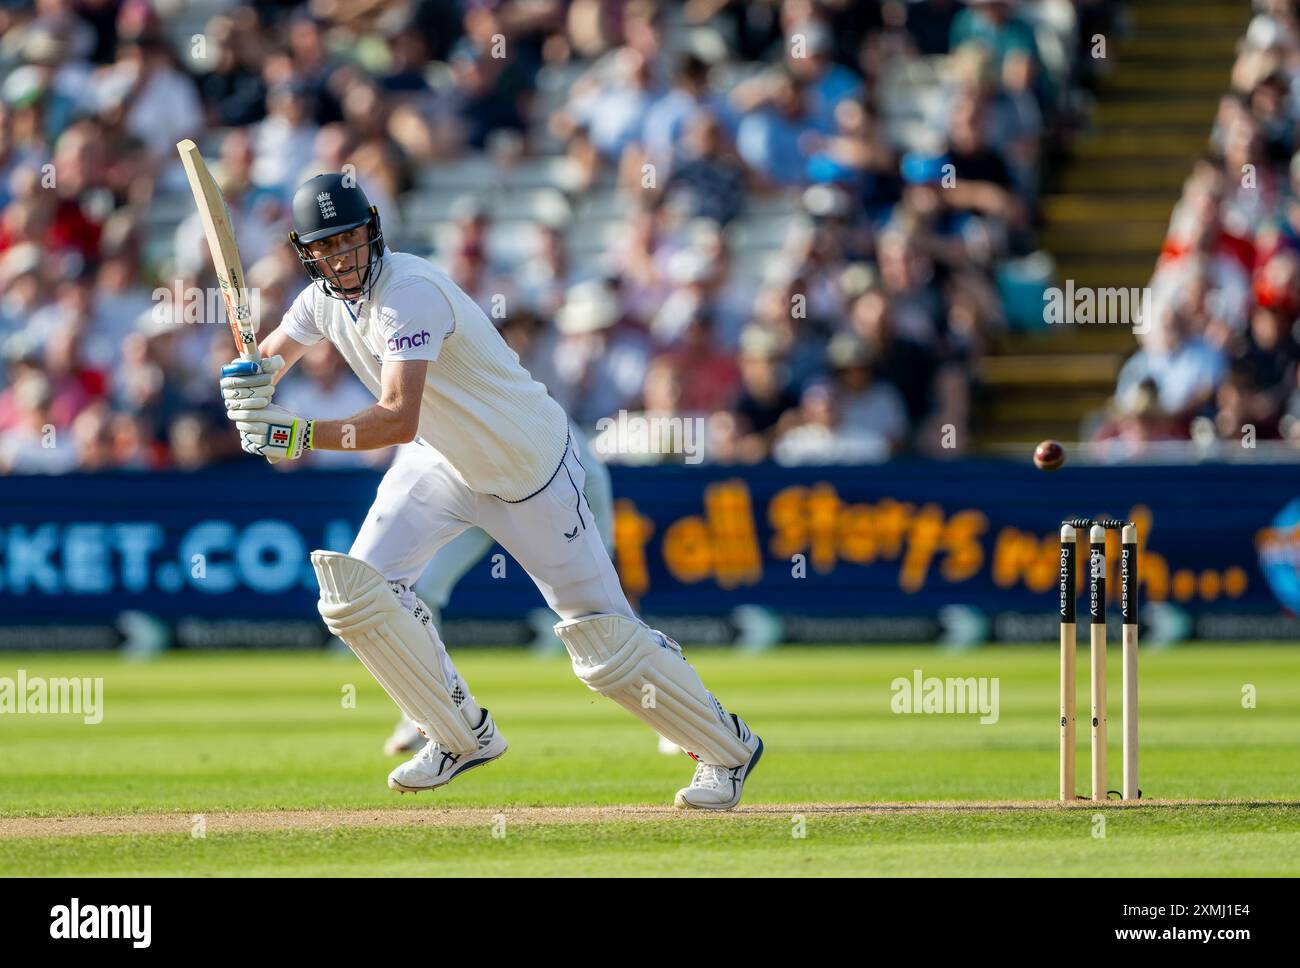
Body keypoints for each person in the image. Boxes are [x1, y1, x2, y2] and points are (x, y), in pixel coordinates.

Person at [217, 173, 762, 809]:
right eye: (328, 248)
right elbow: (271, 356)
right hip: (442, 464)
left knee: (603, 642)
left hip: (527, 469)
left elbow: (397, 417)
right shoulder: (320, 302)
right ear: (307, 255)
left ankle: (727, 750)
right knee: (353, 594)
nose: (343, 257)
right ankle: (457, 733)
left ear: (374, 231)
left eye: (352, 240)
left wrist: (299, 434)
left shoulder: (408, 294)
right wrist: (249, 384)